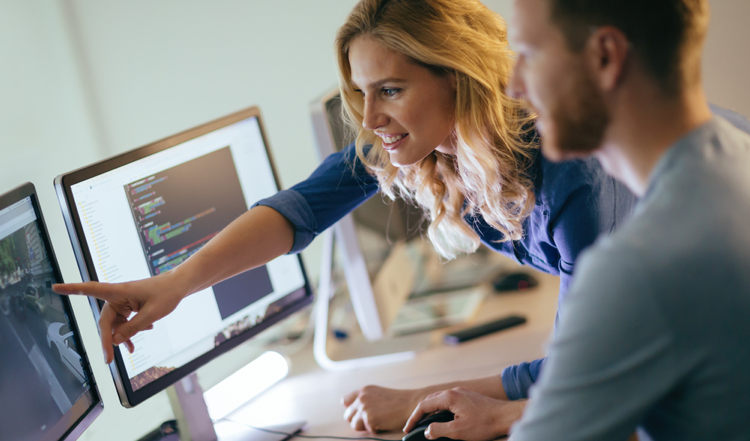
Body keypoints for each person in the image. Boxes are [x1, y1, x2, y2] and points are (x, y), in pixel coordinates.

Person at [54, 0, 637, 432]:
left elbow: (596, 372)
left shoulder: (568, 171)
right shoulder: (440, 144)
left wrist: (472, 408)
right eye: (363, 93)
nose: (372, 117)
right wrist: (176, 282)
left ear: (456, 77)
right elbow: (299, 210)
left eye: (391, 89)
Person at [402, 0, 750, 440]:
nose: (513, 86)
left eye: (530, 54)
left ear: (605, 56)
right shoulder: (737, 149)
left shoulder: (639, 269)